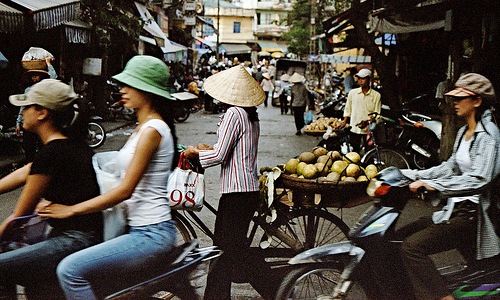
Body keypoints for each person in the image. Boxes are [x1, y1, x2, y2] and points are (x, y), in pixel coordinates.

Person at [37, 55, 181, 299]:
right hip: (138, 228)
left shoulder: (152, 130)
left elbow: (125, 190)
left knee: (70, 270)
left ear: (147, 90)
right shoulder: (143, 127)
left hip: (150, 233)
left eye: (129, 85)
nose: (122, 90)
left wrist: (71, 209)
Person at [397, 73, 499, 300]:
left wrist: (434, 185)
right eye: (453, 97)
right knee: (398, 237)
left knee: (412, 248)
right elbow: (449, 167)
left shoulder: (489, 136)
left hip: (471, 214)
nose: (454, 102)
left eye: (460, 98)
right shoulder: (464, 132)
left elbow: (479, 179)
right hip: (452, 210)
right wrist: (406, 174)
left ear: (477, 101)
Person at [0, 79, 103, 300]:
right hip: (79, 236)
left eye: (27, 106)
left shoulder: (52, 153)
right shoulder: (69, 144)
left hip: (74, 240)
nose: (23, 111)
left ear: (42, 113)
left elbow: (19, 217)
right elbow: (27, 171)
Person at [184, 65, 279, 300]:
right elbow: (231, 149)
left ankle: (277, 290)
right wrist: (208, 148)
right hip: (246, 190)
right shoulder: (249, 115)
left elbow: (219, 156)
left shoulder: (233, 114)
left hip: (236, 192)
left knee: (232, 251)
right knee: (225, 250)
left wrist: (194, 154)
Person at [16, 57, 58, 163]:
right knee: (28, 148)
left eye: (36, 75)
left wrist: (48, 64)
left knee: (43, 148)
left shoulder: (45, 87)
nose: (34, 78)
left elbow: (54, 78)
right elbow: (23, 106)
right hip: (30, 123)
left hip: (40, 123)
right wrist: (18, 122)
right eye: (32, 76)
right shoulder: (28, 90)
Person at [337, 68, 381, 152]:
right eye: (359, 78)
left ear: (369, 79)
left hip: (368, 129)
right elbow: (347, 109)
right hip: (354, 127)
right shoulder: (352, 93)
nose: (360, 81)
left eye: (363, 78)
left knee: (369, 152)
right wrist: (344, 121)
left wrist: (369, 121)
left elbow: (377, 114)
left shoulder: (376, 95)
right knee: (354, 152)